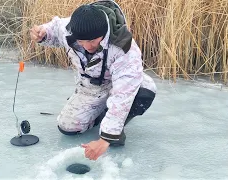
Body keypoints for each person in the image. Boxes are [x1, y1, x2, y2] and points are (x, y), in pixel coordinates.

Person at [30, 0, 157, 160]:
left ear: (104, 33)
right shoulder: (71, 27)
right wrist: (43, 33)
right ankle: (99, 113)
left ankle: (114, 125)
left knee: (145, 91)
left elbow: (122, 95)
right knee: (67, 127)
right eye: (81, 42)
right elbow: (55, 28)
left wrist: (106, 138)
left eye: (92, 41)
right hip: (91, 88)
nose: (87, 46)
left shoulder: (124, 48)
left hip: (118, 85)